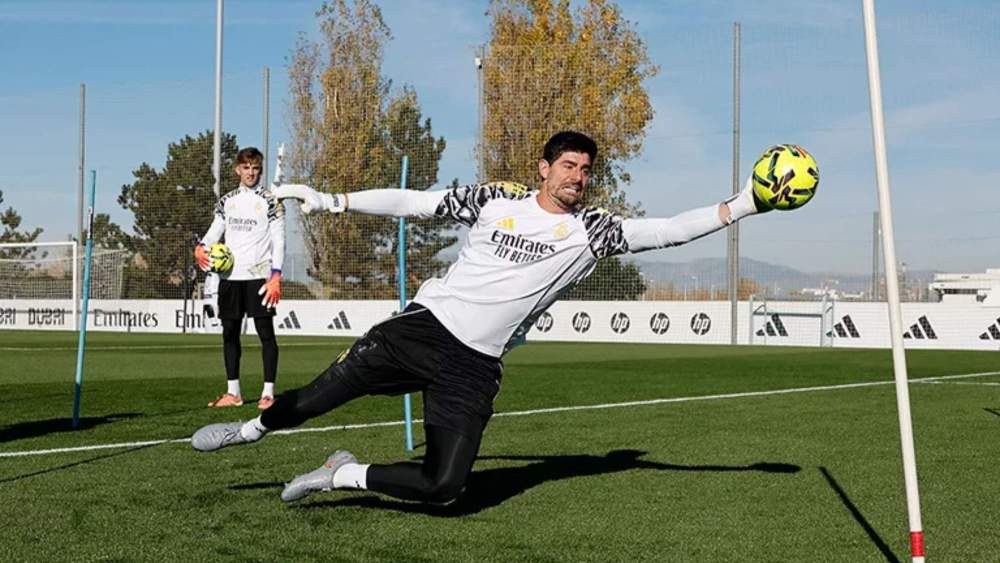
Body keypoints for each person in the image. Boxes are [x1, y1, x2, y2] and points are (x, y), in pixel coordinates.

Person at [192, 131, 772, 503]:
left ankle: (340, 473)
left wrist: (746, 202)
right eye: (568, 165)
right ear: (543, 168)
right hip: (421, 330)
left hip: (474, 364)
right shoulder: (496, 200)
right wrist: (334, 201)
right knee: (312, 400)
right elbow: (415, 203)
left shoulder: (594, 231)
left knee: (444, 486)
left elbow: (669, 231)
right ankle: (246, 432)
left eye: (586, 170)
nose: (577, 176)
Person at [194, 147, 285, 410]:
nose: (251, 173)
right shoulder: (227, 201)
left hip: (259, 277)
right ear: (237, 169)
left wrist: (276, 275)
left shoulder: (271, 201)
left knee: (265, 333)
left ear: (260, 170)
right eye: (246, 168)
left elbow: (279, 241)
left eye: (255, 168)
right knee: (229, 333)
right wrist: (201, 246)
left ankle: (268, 393)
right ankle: (233, 392)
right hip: (230, 277)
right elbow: (215, 231)